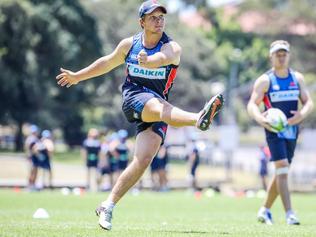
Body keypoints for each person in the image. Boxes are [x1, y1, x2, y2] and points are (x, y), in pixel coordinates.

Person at [56, 0, 223, 230]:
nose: (159, 21)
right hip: (134, 98)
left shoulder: (172, 47)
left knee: (142, 160)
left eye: (161, 17)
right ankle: (198, 119)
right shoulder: (129, 45)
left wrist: (150, 60)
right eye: (153, 17)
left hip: (158, 106)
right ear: (141, 22)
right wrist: (77, 76)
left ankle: (108, 205)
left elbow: (163, 58)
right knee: (159, 108)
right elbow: (106, 63)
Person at [247, 40, 314, 225]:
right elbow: (252, 104)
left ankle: (265, 209)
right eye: (278, 54)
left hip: (292, 131)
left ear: (289, 55)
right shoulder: (265, 80)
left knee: (281, 173)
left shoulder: (297, 78)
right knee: (283, 168)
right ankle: (290, 213)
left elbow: (309, 102)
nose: (281, 57)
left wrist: (300, 115)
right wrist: (261, 119)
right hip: (273, 131)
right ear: (271, 56)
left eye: (284, 54)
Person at [25, 125, 40, 190]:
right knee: (32, 171)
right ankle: (30, 185)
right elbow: (31, 148)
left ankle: (33, 185)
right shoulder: (31, 138)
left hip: (34, 157)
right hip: (32, 157)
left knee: (35, 171)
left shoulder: (35, 138)